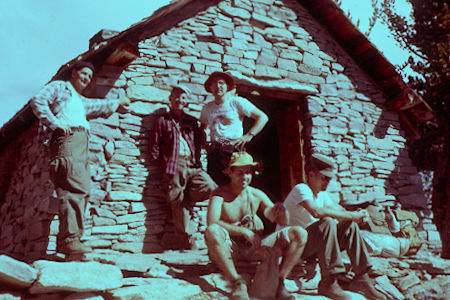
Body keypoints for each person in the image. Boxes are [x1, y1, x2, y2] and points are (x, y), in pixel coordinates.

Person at [30, 61, 130, 255]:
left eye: (89, 77)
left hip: (80, 144)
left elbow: (98, 105)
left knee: (83, 188)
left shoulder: (80, 99)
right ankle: (70, 239)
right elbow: (38, 100)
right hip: (67, 140)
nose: (86, 79)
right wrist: (55, 124)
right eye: (84, 74)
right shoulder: (61, 87)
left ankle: (69, 241)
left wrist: (118, 102)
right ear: (74, 73)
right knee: (73, 187)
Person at [278, 153, 386, 300]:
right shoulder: (301, 189)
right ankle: (328, 282)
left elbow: (341, 212)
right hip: (293, 246)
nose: (327, 182)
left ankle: (362, 278)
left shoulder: (322, 195)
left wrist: (358, 215)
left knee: (348, 225)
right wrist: (352, 215)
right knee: (327, 221)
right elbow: (316, 212)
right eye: (324, 178)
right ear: (311, 174)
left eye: (330, 179)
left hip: (310, 245)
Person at [205, 152, 307, 300]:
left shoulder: (256, 194)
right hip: (232, 248)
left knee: (300, 233)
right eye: (240, 173)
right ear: (230, 174)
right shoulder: (219, 194)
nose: (245, 177)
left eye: (248, 172)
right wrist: (243, 232)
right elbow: (212, 222)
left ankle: (280, 282)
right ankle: (236, 282)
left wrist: (281, 211)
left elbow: (281, 221)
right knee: (212, 231)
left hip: (255, 246)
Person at [149, 85, 217, 239]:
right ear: (170, 99)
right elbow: (154, 144)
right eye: (176, 96)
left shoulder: (191, 121)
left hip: (192, 163)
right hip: (174, 164)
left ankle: (184, 195)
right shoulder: (162, 120)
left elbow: (199, 141)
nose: (179, 100)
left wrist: (198, 159)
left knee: (211, 187)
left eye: (183, 97)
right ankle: (184, 238)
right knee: (177, 201)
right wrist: (162, 164)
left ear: (187, 101)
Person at [200, 72, 268, 185]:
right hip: (215, 151)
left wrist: (249, 135)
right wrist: (204, 142)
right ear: (210, 88)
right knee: (216, 185)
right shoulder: (207, 108)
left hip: (233, 149)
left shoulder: (236, 102)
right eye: (214, 84)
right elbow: (202, 127)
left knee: (236, 184)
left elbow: (262, 117)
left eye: (221, 83)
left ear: (227, 87)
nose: (218, 86)